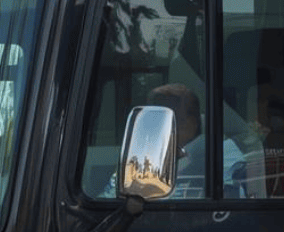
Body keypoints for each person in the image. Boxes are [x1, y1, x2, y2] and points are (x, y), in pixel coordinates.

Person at [100, 83, 245, 199]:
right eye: (150, 119)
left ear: (191, 123)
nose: (153, 127)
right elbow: (109, 200)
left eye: (163, 119)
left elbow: (231, 205)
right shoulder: (140, 158)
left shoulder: (223, 155)